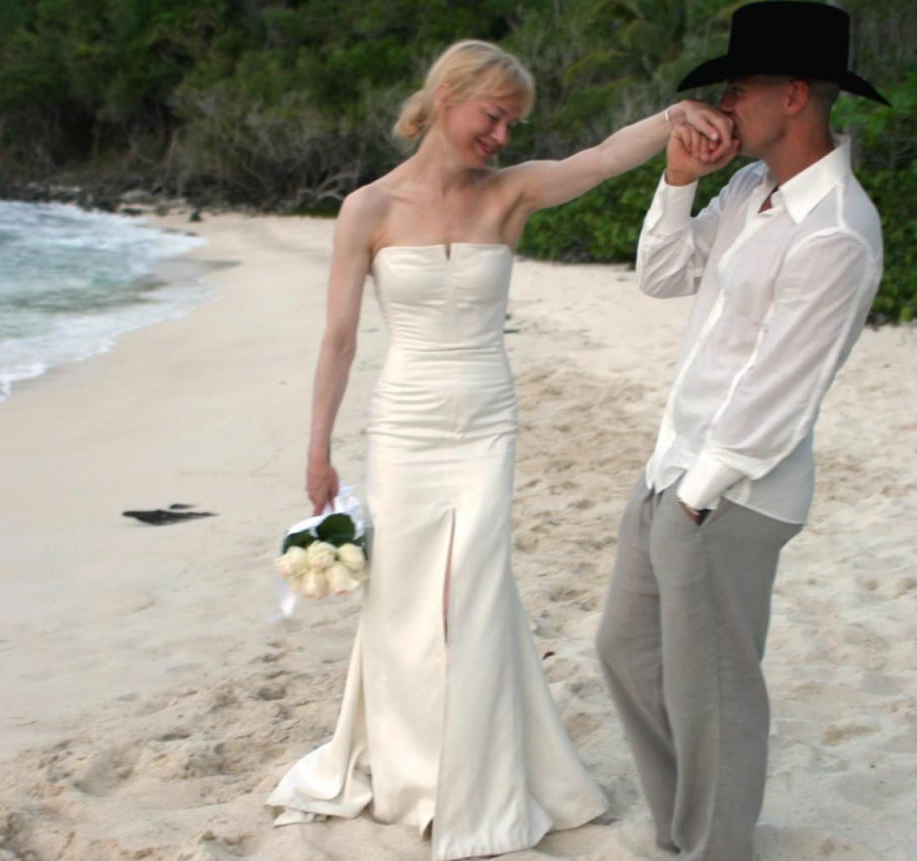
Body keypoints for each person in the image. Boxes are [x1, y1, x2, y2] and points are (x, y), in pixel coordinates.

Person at [267, 39, 733, 860]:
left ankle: (475, 781)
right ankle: (410, 773)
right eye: (495, 117)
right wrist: (317, 452)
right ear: (448, 95)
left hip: (486, 422)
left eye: (514, 124)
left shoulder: (509, 195)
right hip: (403, 426)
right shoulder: (367, 211)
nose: (503, 138)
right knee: (406, 600)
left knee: (476, 590)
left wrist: (671, 118)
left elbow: (596, 160)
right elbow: (338, 340)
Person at [596, 3, 889, 859]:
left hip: (732, 492)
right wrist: (680, 176)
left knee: (714, 691)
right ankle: (689, 830)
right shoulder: (750, 187)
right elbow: (660, 275)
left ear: (795, 94)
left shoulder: (839, 230)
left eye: (739, 87)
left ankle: (711, 848)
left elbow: (779, 392)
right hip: (673, 467)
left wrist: (692, 501)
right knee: (625, 649)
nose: (724, 105)